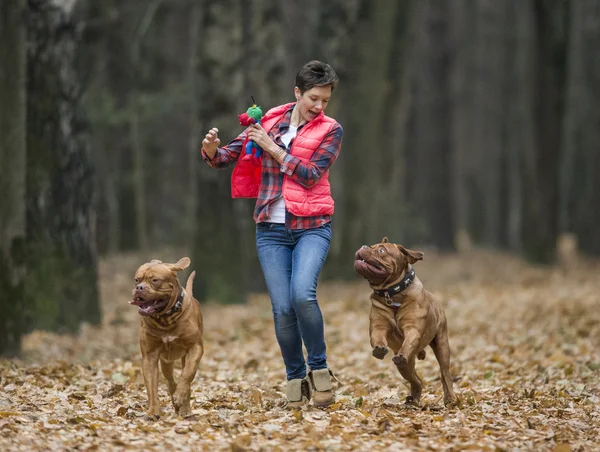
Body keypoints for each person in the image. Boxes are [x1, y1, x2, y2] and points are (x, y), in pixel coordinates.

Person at [200, 60, 343, 408]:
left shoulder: (331, 130)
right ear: (297, 93)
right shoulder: (270, 120)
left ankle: (319, 371)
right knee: (281, 309)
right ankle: (295, 378)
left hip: (312, 227)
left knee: (302, 296)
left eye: (324, 100)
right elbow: (230, 154)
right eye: (313, 98)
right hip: (270, 229)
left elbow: (309, 174)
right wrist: (211, 151)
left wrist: (274, 149)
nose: (318, 107)